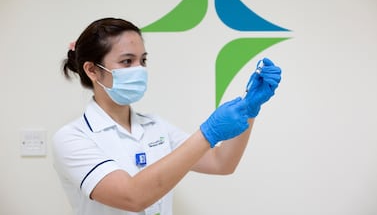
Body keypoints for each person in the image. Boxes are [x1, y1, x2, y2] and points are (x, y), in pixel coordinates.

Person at [52, 17, 281, 215]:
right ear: (92, 70)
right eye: (127, 61)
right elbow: (132, 197)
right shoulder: (73, 138)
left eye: (143, 60)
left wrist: (249, 109)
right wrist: (207, 133)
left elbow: (221, 163)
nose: (139, 69)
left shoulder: (155, 126)